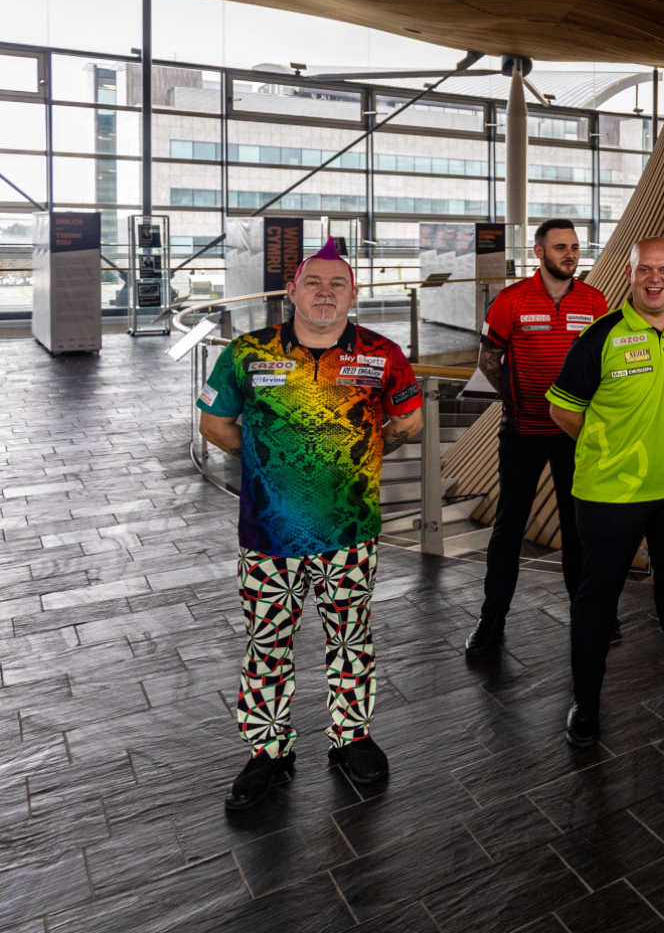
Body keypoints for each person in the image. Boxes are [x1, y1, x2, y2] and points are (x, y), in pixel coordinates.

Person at [199, 239, 423, 810]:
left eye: (338, 284)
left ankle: (351, 737)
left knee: (350, 636)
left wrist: (358, 460)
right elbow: (215, 424)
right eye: (314, 283)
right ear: (292, 290)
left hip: (350, 534)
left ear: (354, 294)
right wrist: (268, 467)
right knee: (267, 642)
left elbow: (408, 421)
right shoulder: (248, 353)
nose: (325, 293)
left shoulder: (383, 354)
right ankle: (268, 750)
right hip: (269, 535)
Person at [548, 237, 664, 748]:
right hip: (610, 493)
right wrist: (614, 448)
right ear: (629, 273)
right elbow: (564, 412)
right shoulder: (600, 336)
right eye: (645, 270)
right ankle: (585, 701)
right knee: (598, 597)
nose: (655, 279)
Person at [466, 218, 609, 657]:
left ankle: (586, 613)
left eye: (574, 246)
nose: (570, 254)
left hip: (574, 433)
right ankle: (492, 619)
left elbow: (601, 364)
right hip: (523, 433)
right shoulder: (511, 301)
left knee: (579, 528)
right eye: (560, 247)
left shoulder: (594, 301)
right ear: (538, 252)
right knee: (509, 527)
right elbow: (489, 362)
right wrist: (518, 402)